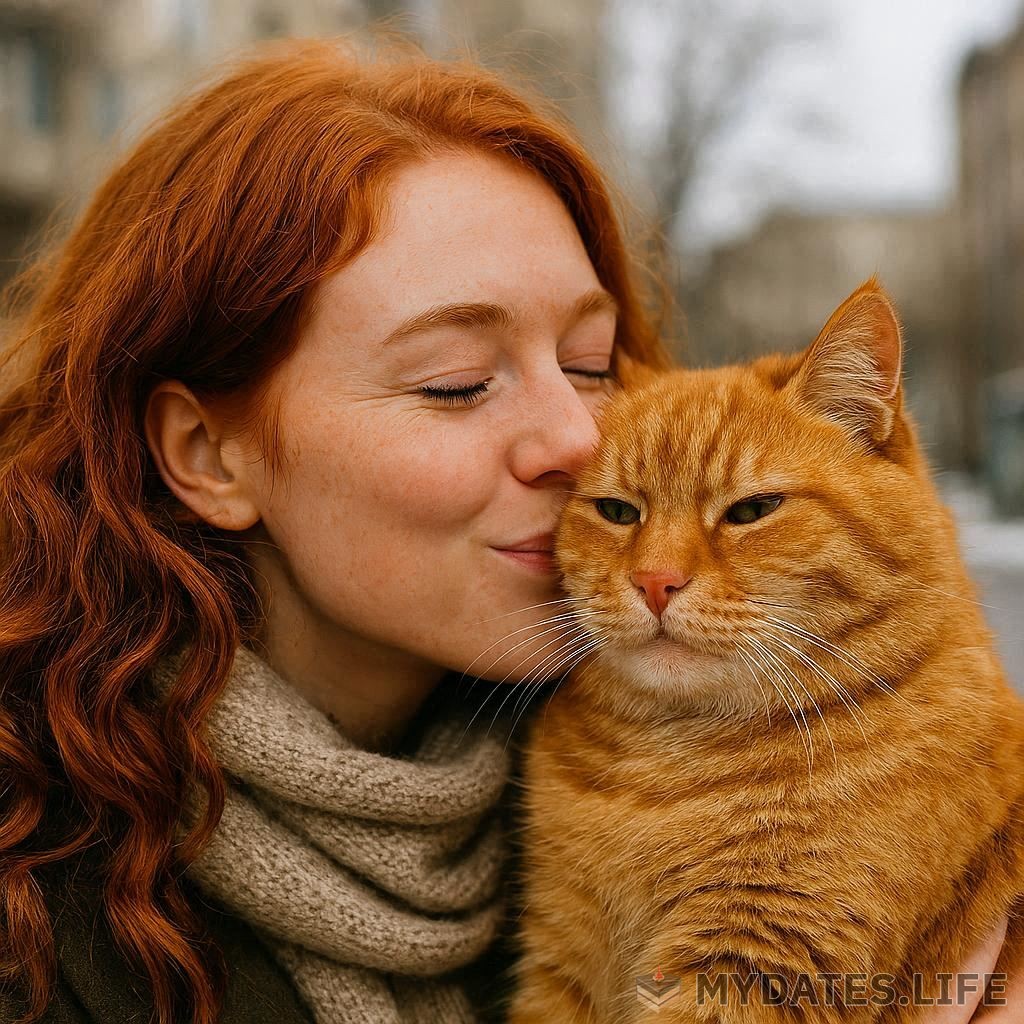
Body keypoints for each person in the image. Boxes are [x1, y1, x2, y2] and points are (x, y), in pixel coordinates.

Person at [0, 33, 1015, 1024]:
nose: (577, 439)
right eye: (457, 381)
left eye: (588, 362)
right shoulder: (36, 906)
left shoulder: (633, 708)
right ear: (209, 453)